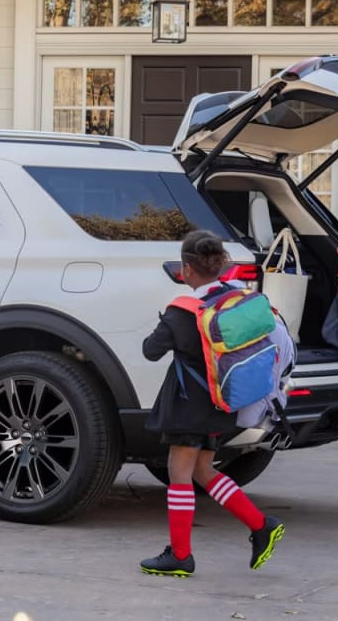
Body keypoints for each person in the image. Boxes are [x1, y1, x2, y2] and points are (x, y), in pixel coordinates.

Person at [139, 230, 285, 577]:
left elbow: (150, 350)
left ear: (187, 269)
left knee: (179, 474)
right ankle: (261, 525)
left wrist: (164, 324)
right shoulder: (232, 300)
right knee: (203, 471)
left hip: (188, 406)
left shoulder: (182, 312)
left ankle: (180, 555)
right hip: (222, 401)